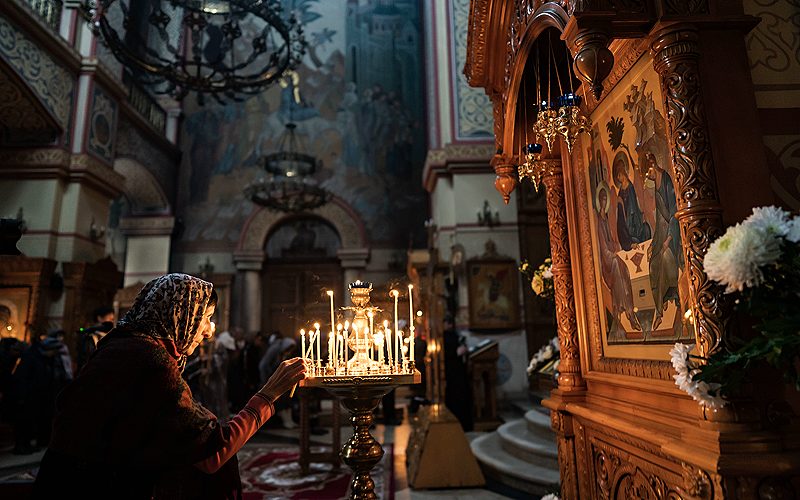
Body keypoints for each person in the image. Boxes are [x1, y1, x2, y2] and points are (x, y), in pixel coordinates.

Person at [33, 273, 307, 499]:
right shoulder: (151, 360)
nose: (210, 330)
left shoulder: (120, 345)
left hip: (63, 479)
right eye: (206, 317)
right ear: (180, 315)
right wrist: (270, 394)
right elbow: (212, 452)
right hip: (98, 488)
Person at [75, 305, 115, 372]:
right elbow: (86, 358)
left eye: (113, 320)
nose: (112, 322)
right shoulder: (90, 335)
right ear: (99, 318)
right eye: (110, 319)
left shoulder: (111, 334)